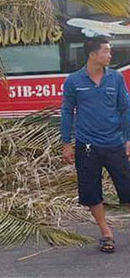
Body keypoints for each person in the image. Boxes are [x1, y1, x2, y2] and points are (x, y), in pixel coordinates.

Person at [61, 36, 130, 253]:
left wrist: (128, 138)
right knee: (91, 192)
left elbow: (126, 109)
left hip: (114, 143)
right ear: (93, 55)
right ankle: (106, 233)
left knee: (127, 187)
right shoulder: (73, 81)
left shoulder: (116, 79)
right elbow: (66, 112)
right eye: (106, 51)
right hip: (86, 146)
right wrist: (66, 143)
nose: (110, 55)